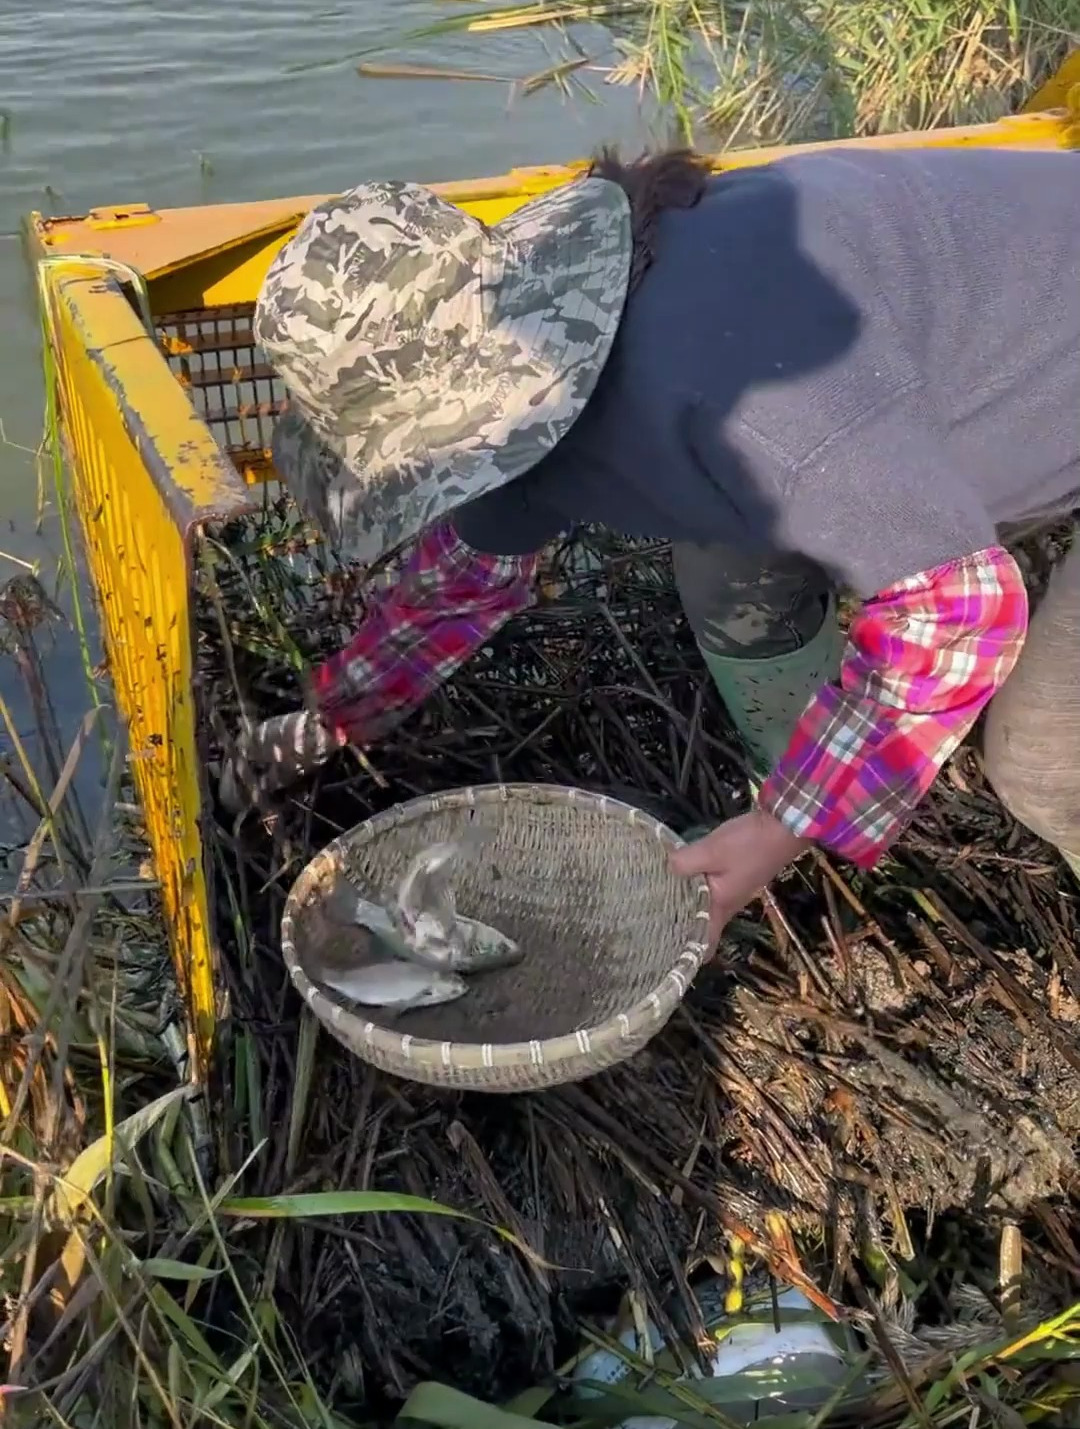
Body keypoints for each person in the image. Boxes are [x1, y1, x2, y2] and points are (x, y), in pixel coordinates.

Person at [235, 142, 1080, 946]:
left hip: (1034, 361)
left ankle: (835, 798)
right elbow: (464, 580)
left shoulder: (754, 413)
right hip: (977, 362)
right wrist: (334, 717)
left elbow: (957, 609)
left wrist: (780, 826)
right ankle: (837, 776)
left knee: (1042, 761)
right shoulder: (543, 365)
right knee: (728, 567)